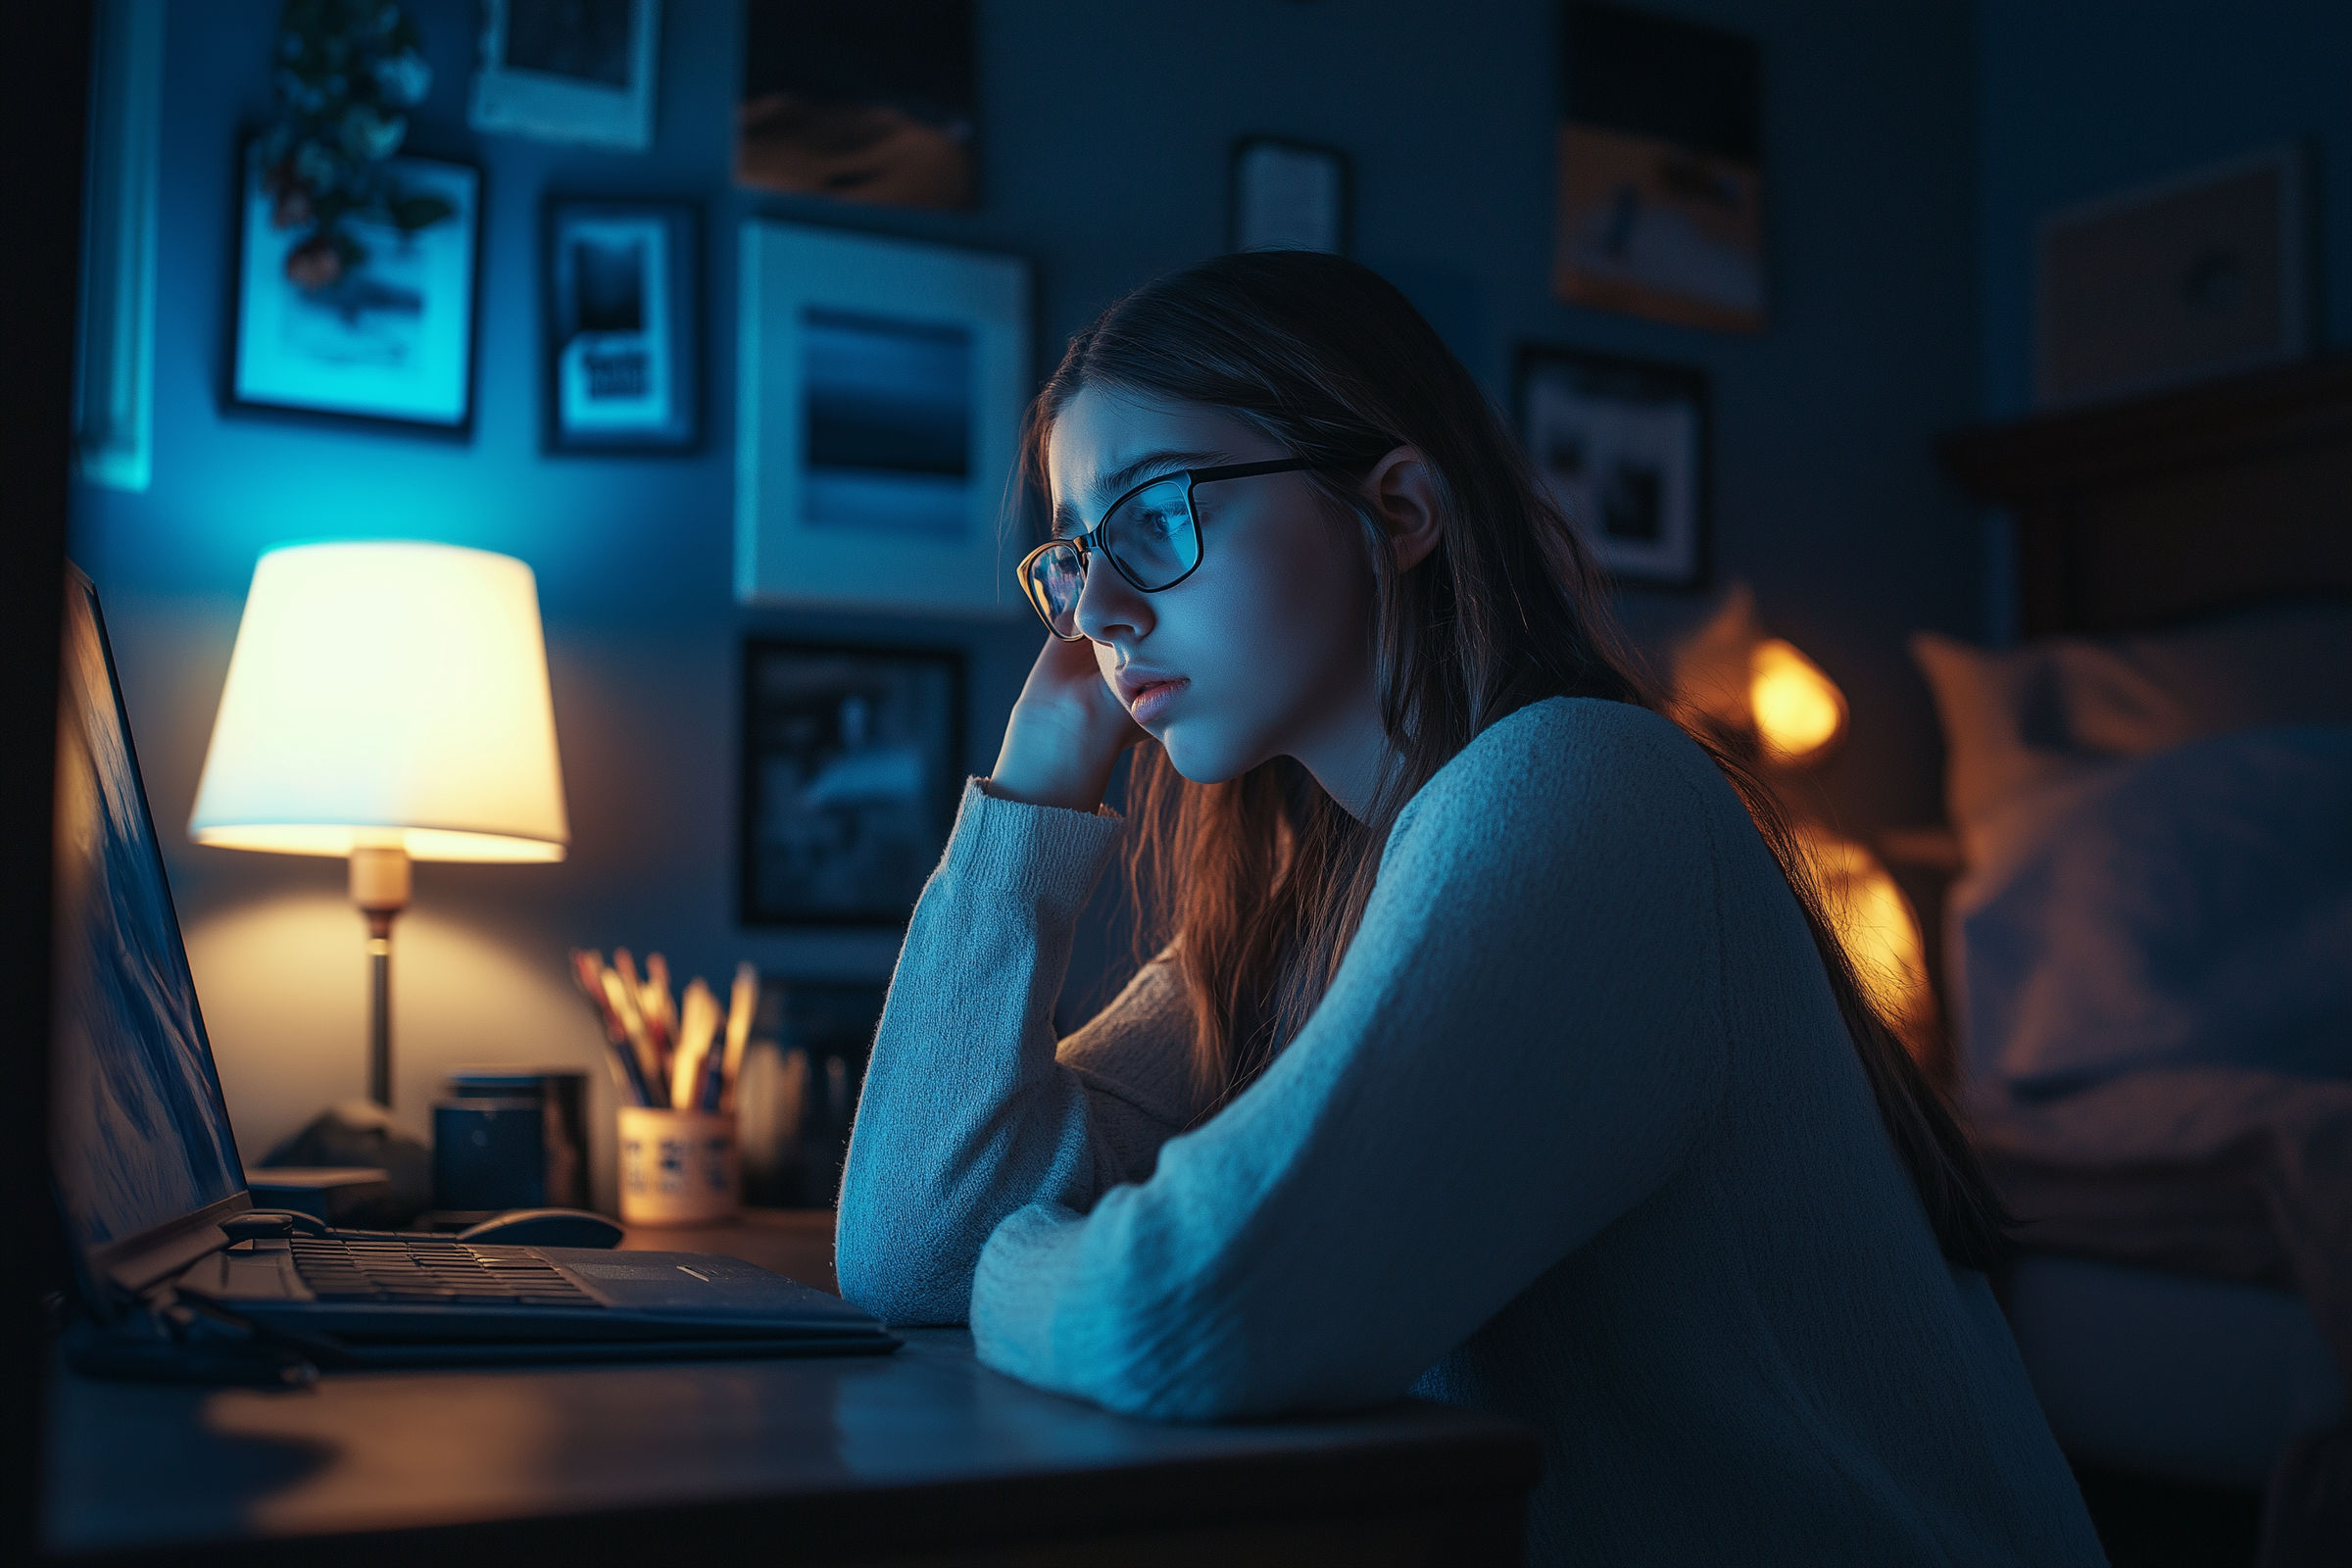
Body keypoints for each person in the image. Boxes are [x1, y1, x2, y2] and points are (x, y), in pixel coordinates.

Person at [835, 251, 2103, 1564]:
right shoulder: (1301, 904)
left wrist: (1020, 1258)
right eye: (1075, 551)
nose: (1096, 611)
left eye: (1158, 513)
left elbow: (1191, 1311)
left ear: (1397, 511)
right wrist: (1035, 791)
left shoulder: (1587, 790)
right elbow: (910, 1249)